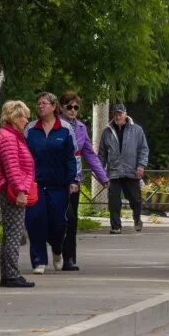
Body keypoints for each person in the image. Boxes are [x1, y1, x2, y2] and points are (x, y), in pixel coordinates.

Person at [25, 92, 78, 274]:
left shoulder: (64, 129)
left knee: (59, 223)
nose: (40, 106)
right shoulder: (30, 129)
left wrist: (73, 180)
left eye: (44, 103)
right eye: (38, 103)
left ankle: (57, 249)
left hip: (59, 185)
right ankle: (39, 260)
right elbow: (24, 157)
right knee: (34, 220)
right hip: (36, 184)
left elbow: (71, 158)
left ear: (54, 107)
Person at [58, 91, 109, 271]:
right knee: (56, 219)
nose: (73, 110)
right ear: (61, 107)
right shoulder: (54, 125)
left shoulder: (80, 128)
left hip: (75, 179)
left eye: (76, 107)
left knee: (71, 220)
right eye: (69, 106)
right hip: (55, 179)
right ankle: (56, 248)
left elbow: (89, 153)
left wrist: (103, 177)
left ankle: (69, 258)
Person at [0, 101, 35, 287]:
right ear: (14, 117)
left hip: (9, 189)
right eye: (24, 116)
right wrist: (20, 191)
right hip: (11, 191)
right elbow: (12, 168)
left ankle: (9, 274)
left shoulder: (11, 135)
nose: (27, 120)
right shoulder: (9, 137)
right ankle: (11, 275)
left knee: (10, 234)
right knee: (14, 234)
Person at [98, 104, 149, 234]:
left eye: (120, 113)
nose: (117, 116)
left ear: (125, 114)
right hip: (114, 172)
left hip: (131, 171)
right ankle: (116, 226)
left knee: (136, 200)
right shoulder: (107, 131)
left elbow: (143, 149)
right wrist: (101, 172)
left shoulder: (137, 130)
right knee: (114, 201)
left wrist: (141, 165)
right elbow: (102, 154)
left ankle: (137, 218)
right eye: (115, 113)